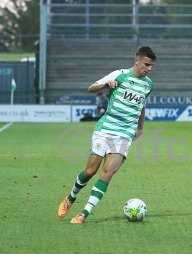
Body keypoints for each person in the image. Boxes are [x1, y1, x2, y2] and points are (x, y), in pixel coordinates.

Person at [57, 46, 156, 224]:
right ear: (137, 61)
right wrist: (105, 85)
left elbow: (141, 105)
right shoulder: (119, 75)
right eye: (147, 65)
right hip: (106, 129)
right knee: (90, 171)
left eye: (151, 66)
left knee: (108, 173)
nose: (149, 69)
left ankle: (84, 213)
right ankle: (71, 197)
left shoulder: (148, 84)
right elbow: (91, 88)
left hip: (125, 133)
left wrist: (140, 127)